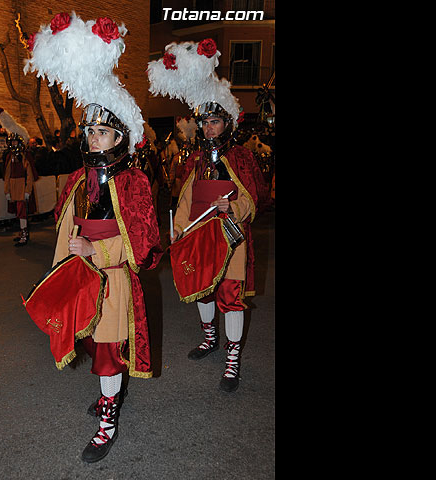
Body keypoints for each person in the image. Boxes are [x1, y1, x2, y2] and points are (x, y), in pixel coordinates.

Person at [24, 12, 162, 463]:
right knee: (88, 340)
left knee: (106, 350)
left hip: (114, 275)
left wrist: (98, 249)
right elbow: (69, 222)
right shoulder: (82, 176)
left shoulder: (136, 182)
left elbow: (143, 242)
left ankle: (107, 422)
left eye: (101, 130)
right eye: (89, 129)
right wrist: (65, 257)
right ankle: (108, 398)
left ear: (121, 136)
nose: (92, 136)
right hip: (83, 273)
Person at [148, 39, 270, 393]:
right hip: (201, 237)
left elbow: (256, 197)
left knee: (230, 294)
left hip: (232, 237)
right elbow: (185, 197)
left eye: (214, 122)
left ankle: (233, 359)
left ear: (226, 122)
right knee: (203, 290)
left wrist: (235, 206)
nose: (208, 129)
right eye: (204, 123)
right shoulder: (196, 160)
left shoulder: (243, 158)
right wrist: (179, 231)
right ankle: (210, 339)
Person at [1, 133, 37, 246]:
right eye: (12, 142)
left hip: (22, 186)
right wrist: (7, 190)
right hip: (13, 186)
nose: (13, 144)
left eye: (15, 141)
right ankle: (21, 232)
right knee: (18, 211)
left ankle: (24, 234)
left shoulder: (25, 156)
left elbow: (30, 175)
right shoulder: (9, 156)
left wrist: (28, 190)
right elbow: (7, 174)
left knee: (22, 212)